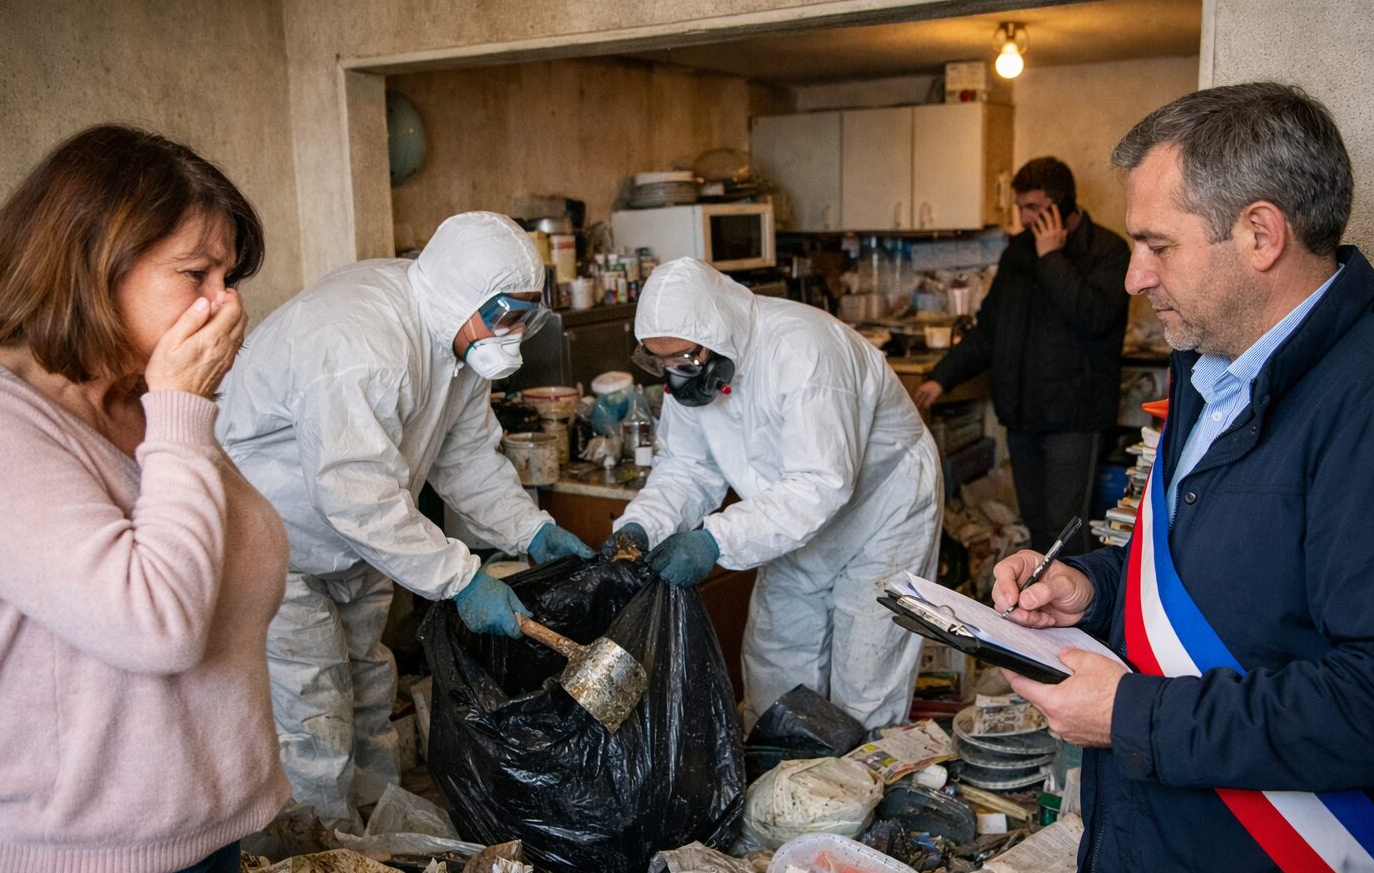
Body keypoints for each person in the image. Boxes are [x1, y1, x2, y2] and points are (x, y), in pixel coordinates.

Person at [993, 84, 1374, 873]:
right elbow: (1222, 575)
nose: (1134, 276)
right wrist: (1092, 588)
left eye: (1157, 245)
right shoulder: (1212, 371)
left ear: (1260, 234)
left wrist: (1132, 715)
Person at [0, 125, 288, 873]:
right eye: (196, 273)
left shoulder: (139, 406)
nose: (225, 305)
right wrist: (180, 406)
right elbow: (155, 625)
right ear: (92, 265)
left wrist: (170, 409)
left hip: (186, 823)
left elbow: (241, 556)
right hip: (83, 862)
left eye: (229, 277)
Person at [217, 211, 593, 832]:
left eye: (526, 317)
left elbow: (465, 457)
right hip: (274, 542)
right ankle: (318, 867)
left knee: (369, 690)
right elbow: (354, 493)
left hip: (361, 542)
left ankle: (377, 839)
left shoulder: (454, 337)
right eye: (507, 316)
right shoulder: (363, 346)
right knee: (312, 715)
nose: (515, 334)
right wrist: (460, 579)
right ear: (467, 297)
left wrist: (530, 530)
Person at [604, 257, 942, 729]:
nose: (675, 372)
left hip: (882, 512)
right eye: (661, 361)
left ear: (717, 333)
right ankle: (787, 775)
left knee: (866, 677)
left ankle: (862, 774)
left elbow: (819, 483)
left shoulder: (805, 351)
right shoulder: (691, 370)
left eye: (682, 358)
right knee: (776, 669)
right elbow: (686, 466)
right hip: (785, 520)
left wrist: (715, 540)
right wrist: (642, 524)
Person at [913, 157, 1129, 556]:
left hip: (1073, 417)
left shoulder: (1108, 251)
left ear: (1061, 204)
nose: (1024, 218)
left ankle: (1077, 597)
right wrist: (941, 376)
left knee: (1066, 532)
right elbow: (990, 330)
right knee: (1037, 525)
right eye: (1020, 207)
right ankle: (1040, 596)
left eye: (1032, 207)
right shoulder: (1018, 253)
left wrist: (1051, 259)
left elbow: (1095, 317)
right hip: (1022, 416)